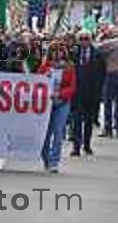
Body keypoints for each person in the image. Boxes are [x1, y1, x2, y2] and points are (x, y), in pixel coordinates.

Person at [38, 42, 77, 174]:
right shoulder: (44, 67)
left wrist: (60, 95)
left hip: (62, 102)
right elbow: (37, 83)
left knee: (59, 132)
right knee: (46, 132)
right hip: (47, 103)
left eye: (60, 50)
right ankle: (46, 158)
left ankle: (54, 162)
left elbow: (72, 87)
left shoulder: (69, 67)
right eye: (54, 50)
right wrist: (45, 77)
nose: (57, 53)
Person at [70, 31, 106, 157]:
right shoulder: (73, 53)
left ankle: (87, 145)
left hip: (92, 93)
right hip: (77, 92)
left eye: (86, 38)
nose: (84, 41)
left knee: (89, 122)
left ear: (90, 40)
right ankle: (76, 147)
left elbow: (102, 75)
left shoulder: (98, 54)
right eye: (81, 39)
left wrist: (100, 93)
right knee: (77, 121)